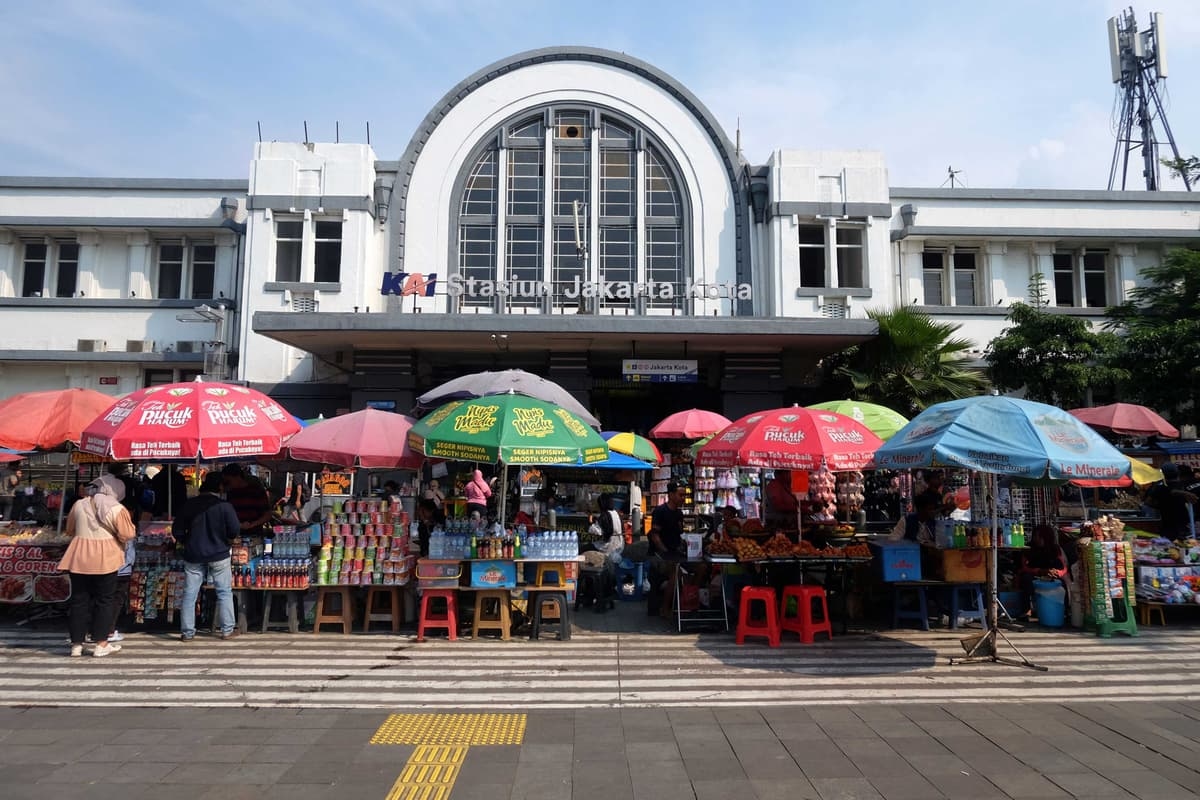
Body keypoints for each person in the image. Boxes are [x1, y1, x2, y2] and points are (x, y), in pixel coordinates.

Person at [57, 474, 136, 658]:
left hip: (79, 557)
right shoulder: (117, 508)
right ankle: (101, 644)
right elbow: (128, 534)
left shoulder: (79, 504)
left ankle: (76, 645)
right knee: (105, 600)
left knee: (79, 600)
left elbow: (69, 529)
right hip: (106, 558)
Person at [174, 473, 241, 641]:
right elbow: (234, 529)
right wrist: (227, 539)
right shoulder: (224, 506)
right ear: (220, 487)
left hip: (194, 554)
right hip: (219, 554)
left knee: (190, 594)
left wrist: (187, 541)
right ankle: (227, 630)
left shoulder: (189, 504)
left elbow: (177, 531)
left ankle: (187, 632)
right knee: (224, 592)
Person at [646, 480, 687, 616]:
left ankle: (685, 604)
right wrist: (665, 553)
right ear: (671, 495)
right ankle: (665, 607)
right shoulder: (660, 511)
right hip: (659, 555)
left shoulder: (679, 514)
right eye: (680, 495)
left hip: (675, 554)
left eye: (684, 495)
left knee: (700, 568)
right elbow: (655, 536)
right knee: (676, 573)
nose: (683, 498)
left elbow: (680, 534)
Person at [1019, 523, 1069, 618]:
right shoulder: (1028, 549)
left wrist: (1056, 573)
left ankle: (1064, 610)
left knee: (1061, 583)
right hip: (1034, 575)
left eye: (1039, 536)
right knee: (1026, 579)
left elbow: (1064, 567)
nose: (1037, 539)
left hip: (1051, 576)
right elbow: (1024, 567)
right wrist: (1039, 571)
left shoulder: (1055, 549)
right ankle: (1026, 610)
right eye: (1035, 536)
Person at [221, 464, 272, 538]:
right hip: (234, 535)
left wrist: (252, 524)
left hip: (254, 534)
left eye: (228, 481)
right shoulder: (228, 493)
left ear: (237, 477)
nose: (227, 484)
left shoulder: (256, 491)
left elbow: (267, 514)